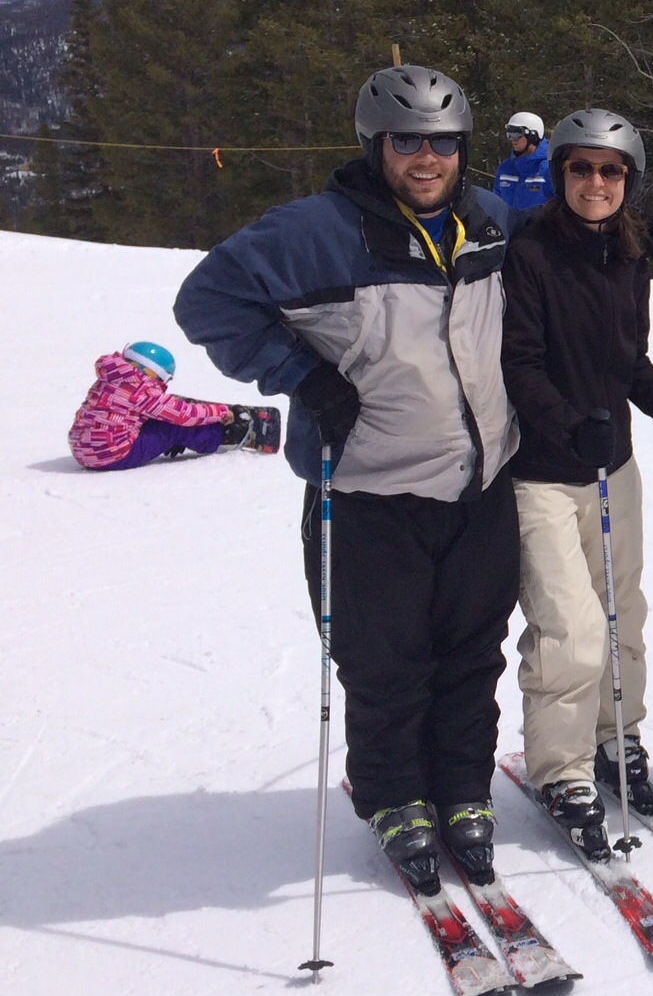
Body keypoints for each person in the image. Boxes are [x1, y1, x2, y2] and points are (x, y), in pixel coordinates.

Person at [174, 64, 522, 895]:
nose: (427, 159)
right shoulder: (314, 233)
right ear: (374, 146)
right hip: (371, 487)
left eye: (444, 143)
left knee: (473, 652)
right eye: (407, 142)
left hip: (481, 483)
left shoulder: (492, 222)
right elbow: (207, 301)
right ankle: (394, 795)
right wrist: (301, 374)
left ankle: (462, 788)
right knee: (384, 659)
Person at [500, 109, 653, 857]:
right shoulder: (529, 254)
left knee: (623, 615)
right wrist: (568, 426)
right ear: (560, 173)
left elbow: (629, 362)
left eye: (611, 170)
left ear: (630, 180)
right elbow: (518, 365)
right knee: (570, 629)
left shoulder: (629, 255)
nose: (596, 182)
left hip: (612, 467)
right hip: (542, 473)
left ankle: (614, 736)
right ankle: (563, 770)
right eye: (582, 168)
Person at [69, 341, 276, 470]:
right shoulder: (142, 389)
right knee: (173, 427)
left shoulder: (111, 379)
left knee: (155, 418)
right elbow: (184, 414)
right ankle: (225, 436)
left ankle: (177, 435)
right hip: (112, 455)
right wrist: (222, 412)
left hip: (83, 450)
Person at [493, 111, 553, 212]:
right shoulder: (505, 168)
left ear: (533, 135)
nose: (512, 139)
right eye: (509, 134)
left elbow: (558, 206)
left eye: (516, 134)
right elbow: (496, 203)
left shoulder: (548, 169)